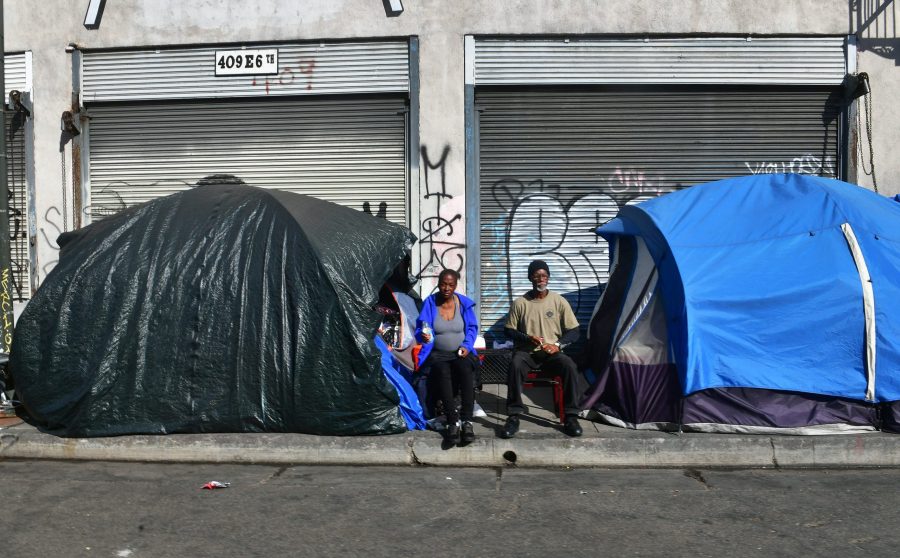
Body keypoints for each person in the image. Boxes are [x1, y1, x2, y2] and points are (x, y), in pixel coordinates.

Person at [500, 259, 583, 438]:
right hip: (527, 353)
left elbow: (575, 331)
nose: (541, 279)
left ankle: (571, 416)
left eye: (544, 275)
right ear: (531, 278)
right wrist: (527, 337)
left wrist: (557, 345)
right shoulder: (520, 303)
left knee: (569, 365)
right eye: (537, 275)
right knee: (515, 365)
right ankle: (513, 415)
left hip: (551, 353)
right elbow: (508, 330)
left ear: (548, 278)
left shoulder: (559, 301)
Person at [415, 269, 480, 445]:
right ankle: (453, 421)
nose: (446, 288)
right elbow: (420, 330)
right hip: (438, 353)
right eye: (443, 283)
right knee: (442, 372)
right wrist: (423, 336)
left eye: (451, 285)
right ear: (438, 283)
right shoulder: (430, 303)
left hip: (460, 351)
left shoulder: (463, 304)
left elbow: (473, 328)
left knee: (466, 369)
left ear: (455, 286)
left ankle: (467, 421)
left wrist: (467, 346)